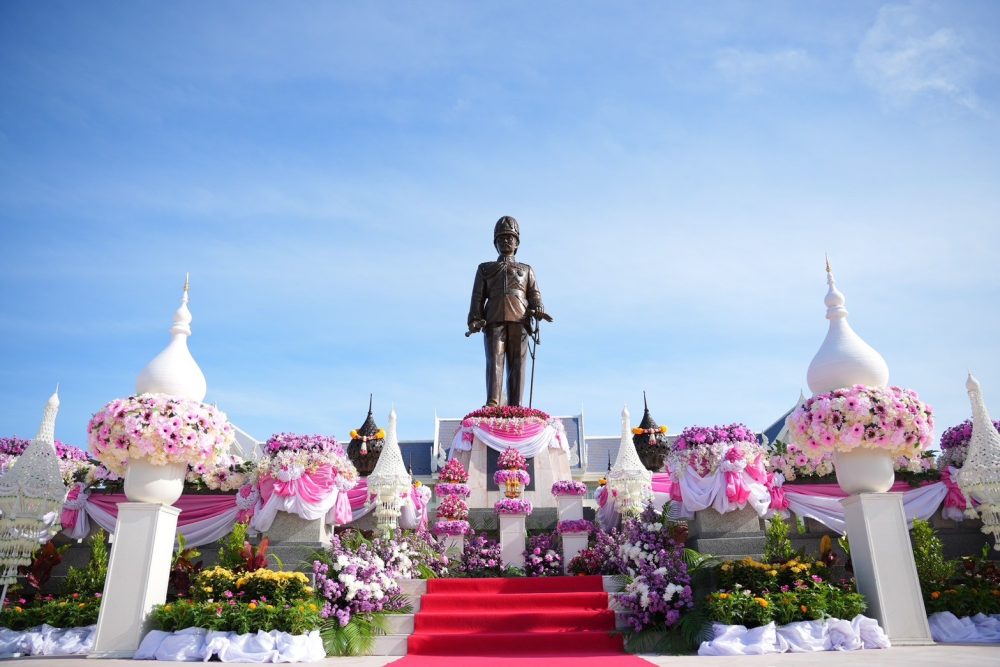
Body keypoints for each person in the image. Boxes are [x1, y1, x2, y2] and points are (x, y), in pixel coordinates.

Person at [467, 216, 553, 406]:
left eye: (510, 238)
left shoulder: (527, 269)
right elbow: (477, 296)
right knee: (494, 360)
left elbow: (534, 294)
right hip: (493, 317)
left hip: (520, 317)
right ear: (495, 243)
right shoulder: (485, 269)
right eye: (501, 238)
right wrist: (474, 318)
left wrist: (538, 306)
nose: (506, 241)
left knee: (518, 363)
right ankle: (493, 402)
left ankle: (516, 405)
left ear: (517, 243)